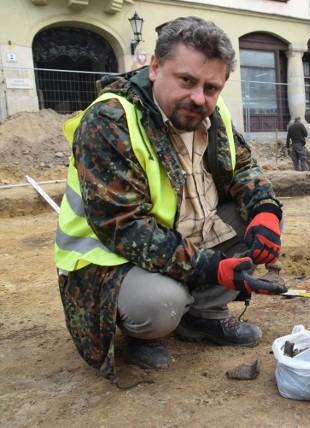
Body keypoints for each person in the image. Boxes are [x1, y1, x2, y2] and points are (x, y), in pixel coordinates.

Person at [54, 17, 288, 381]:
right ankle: (142, 332)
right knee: (160, 304)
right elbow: (125, 228)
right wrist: (211, 267)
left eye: (211, 87)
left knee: (258, 226)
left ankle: (201, 317)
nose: (199, 97)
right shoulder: (110, 120)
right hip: (111, 260)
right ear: (156, 67)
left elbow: (243, 168)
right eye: (187, 80)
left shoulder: (212, 113)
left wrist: (267, 212)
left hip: (176, 239)